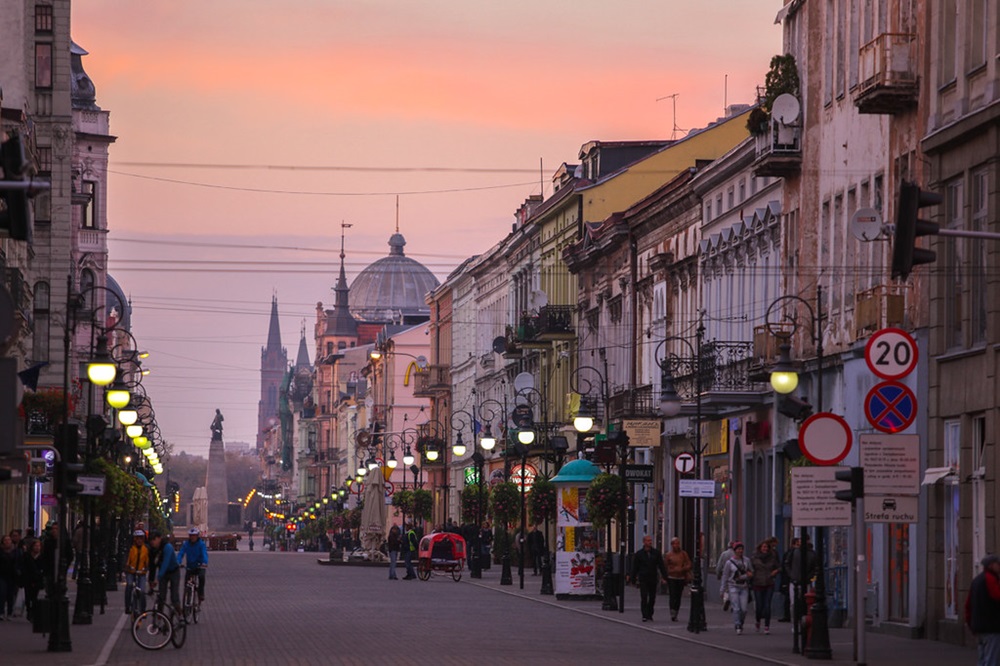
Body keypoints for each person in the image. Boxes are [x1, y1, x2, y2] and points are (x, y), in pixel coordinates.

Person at [966, 554, 1000, 665]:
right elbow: (997, 596)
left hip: (979, 627)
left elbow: (968, 605)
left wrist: (971, 625)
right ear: (991, 565)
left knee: (982, 659)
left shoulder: (976, 580)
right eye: (997, 564)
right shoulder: (990, 580)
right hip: (991, 627)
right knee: (991, 660)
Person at [629, 535, 669, 622]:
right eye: (648, 541)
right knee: (644, 597)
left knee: (652, 597)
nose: (650, 542)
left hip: (653, 578)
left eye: (650, 541)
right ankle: (644, 614)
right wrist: (633, 578)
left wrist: (664, 577)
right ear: (644, 542)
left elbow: (661, 565)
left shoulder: (656, 553)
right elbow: (635, 567)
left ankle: (650, 613)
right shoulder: (639, 554)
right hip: (643, 578)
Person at [720, 541, 754, 635]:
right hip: (733, 586)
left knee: (744, 609)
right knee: (736, 608)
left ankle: (741, 622)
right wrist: (722, 589)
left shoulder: (746, 560)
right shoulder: (729, 563)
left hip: (744, 587)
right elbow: (725, 576)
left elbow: (751, 571)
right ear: (734, 550)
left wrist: (750, 574)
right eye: (738, 549)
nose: (740, 551)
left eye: (741, 549)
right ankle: (737, 624)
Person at [750, 538, 780, 634]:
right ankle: (758, 621)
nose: (765, 548)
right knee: (759, 606)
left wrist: (776, 571)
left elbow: (779, 566)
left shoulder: (773, 556)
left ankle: (767, 626)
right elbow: (750, 568)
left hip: (769, 583)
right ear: (760, 548)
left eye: (766, 547)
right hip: (758, 583)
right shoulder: (754, 557)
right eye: (763, 547)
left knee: (767, 606)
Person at [149, 531, 180, 612]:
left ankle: (180, 617)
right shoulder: (153, 550)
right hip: (164, 573)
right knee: (161, 597)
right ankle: (160, 617)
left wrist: (158, 578)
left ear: (159, 538)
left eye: (154, 539)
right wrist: (151, 580)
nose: (152, 542)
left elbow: (165, 563)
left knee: (174, 597)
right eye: (151, 540)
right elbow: (152, 566)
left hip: (173, 571)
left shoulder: (167, 547)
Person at [664, 536, 692, 622]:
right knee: (673, 595)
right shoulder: (668, 555)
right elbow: (665, 567)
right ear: (672, 545)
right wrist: (665, 576)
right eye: (675, 543)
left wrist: (683, 569)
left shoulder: (683, 554)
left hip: (681, 577)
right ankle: (672, 612)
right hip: (672, 577)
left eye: (678, 543)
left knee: (678, 596)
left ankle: (676, 611)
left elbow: (689, 564)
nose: (677, 545)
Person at [177, 527, 209, 602]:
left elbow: (204, 554)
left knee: (201, 577)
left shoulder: (201, 544)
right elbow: (181, 553)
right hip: (190, 566)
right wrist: (178, 562)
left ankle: (201, 593)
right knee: (187, 582)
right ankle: (187, 597)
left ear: (197, 536)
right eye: (191, 535)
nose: (192, 537)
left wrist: (204, 562)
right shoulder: (186, 544)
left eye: (194, 535)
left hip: (200, 565)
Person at [124, 529, 149, 615]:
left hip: (141, 573)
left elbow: (147, 562)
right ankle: (127, 606)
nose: (139, 540)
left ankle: (143, 610)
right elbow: (127, 560)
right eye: (137, 538)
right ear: (134, 539)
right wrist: (128, 567)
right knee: (130, 585)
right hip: (131, 571)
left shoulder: (145, 549)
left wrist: (145, 568)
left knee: (142, 591)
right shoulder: (131, 549)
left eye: (141, 538)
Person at [0, 534, 21, 620]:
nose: (7, 542)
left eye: (9, 540)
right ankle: (1, 612)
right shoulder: (0, 552)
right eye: (5, 540)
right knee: (2, 593)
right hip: (2, 575)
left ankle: (9, 612)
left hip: (12, 576)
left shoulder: (16, 551)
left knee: (10, 595)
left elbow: (19, 562)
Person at [22, 540, 44, 622]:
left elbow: (42, 568)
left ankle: (33, 612)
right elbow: (24, 567)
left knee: (34, 596)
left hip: (37, 579)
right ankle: (28, 610)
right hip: (28, 579)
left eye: (39, 546)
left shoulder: (42, 557)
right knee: (27, 596)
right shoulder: (27, 556)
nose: (37, 548)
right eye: (35, 546)